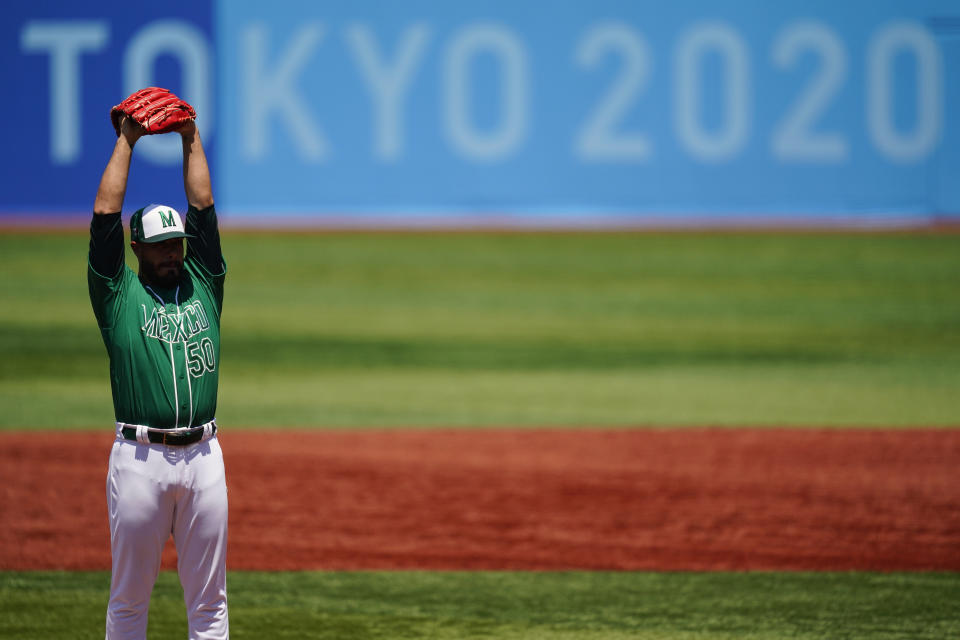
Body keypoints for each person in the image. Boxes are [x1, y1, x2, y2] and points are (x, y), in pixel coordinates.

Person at [88, 113, 229, 639]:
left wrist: (190, 137)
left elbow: (203, 208)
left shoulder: (205, 283)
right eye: (161, 245)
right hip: (140, 462)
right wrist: (127, 139)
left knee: (211, 605)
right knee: (128, 602)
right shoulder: (116, 294)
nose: (173, 252)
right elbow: (105, 216)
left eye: (177, 243)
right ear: (137, 249)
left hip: (205, 459)